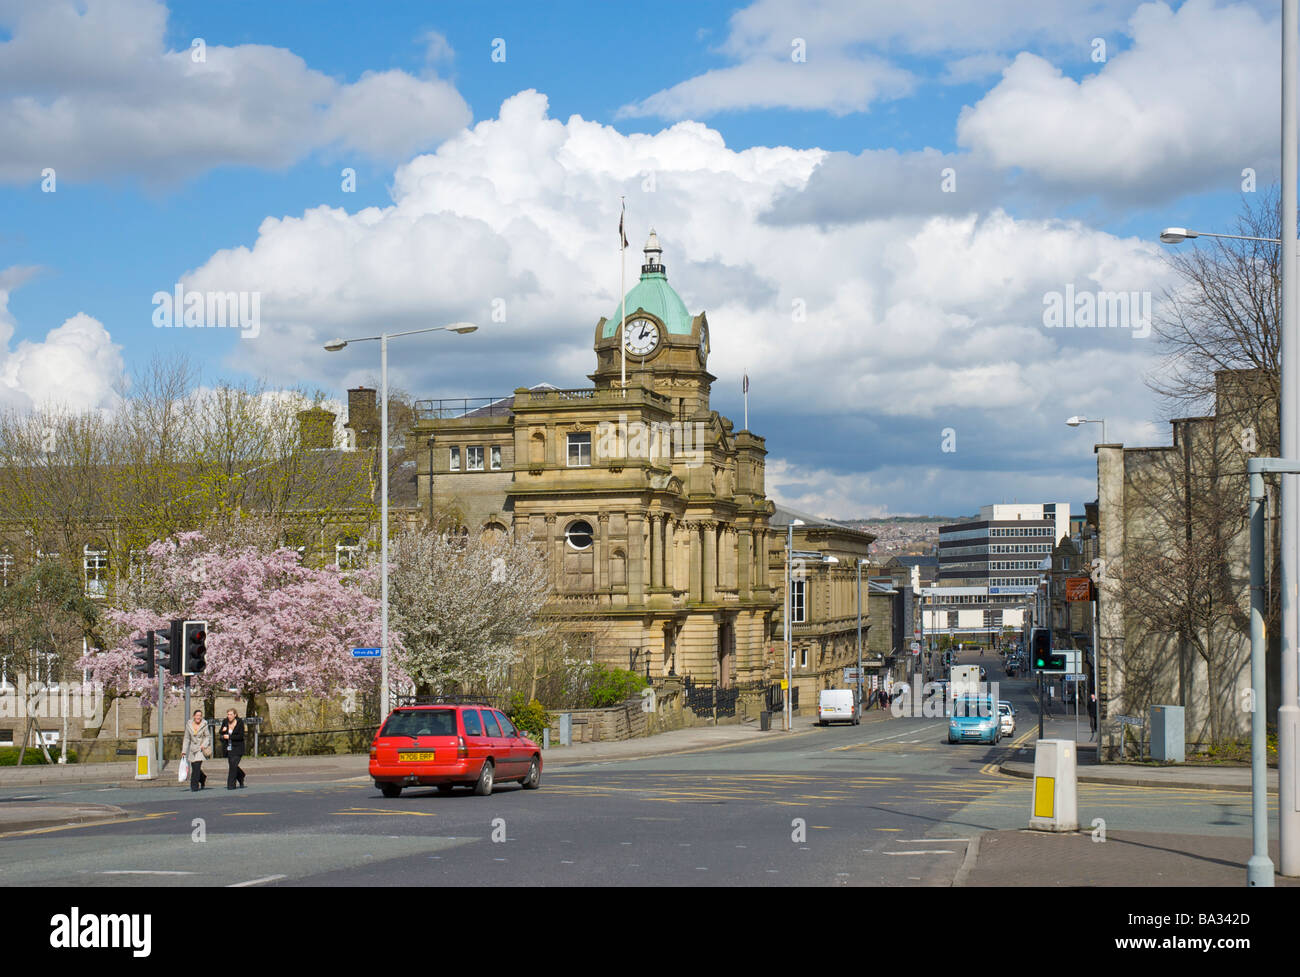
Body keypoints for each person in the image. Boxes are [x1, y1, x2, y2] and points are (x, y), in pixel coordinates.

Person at [182, 710, 211, 791]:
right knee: (194, 767)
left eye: (200, 716)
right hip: (192, 749)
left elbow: (207, 736)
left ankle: (194, 786)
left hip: (200, 748)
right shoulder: (189, 725)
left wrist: (204, 745)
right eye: (197, 715)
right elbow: (187, 738)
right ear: (194, 716)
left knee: (197, 766)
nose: (199, 717)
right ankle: (202, 778)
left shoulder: (204, 724)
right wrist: (184, 751)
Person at [220, 708, 246, 789]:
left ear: (235, 715)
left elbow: (241, 736)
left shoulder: (240, 723)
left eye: (231, 714)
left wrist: (230, 737)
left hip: (238, 748)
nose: (229, 716)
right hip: (229, 748)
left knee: (233, 765)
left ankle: (231, 785)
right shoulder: (225, 722)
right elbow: (221, 733)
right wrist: (222, 732)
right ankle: (241, 775)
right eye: (228, 714)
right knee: (232, 765)